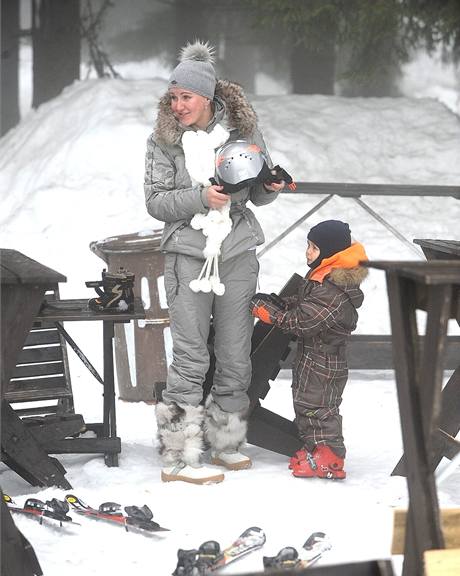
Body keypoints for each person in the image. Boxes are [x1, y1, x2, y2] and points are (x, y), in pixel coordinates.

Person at [144, 40, 285, 484]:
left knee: (235, 355)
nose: (178, 104)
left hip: (237, 251)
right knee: (189, 359)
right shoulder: (163, 141)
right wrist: (200, 197)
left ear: (208, 97)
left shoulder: (244, 131)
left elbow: (258, 190)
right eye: (174, 96)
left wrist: (272, 185)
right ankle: (177, 457)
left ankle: (224, 445)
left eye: (186, 96)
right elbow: (155, 202)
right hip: (188, 254)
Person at [249, 220, 368, 479]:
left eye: (313, 248)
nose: (308, 252)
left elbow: (303, 321)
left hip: (324, 362)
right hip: (313, 358)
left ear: (331, 253)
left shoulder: (334, 290)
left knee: (319, 408)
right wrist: (281, 302)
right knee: (305, 403)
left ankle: (331, 458)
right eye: (308, 246)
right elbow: (305, 303)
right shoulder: (324, 277)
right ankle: (316, 449)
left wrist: (272, 314)